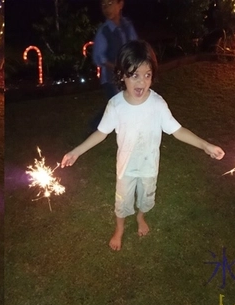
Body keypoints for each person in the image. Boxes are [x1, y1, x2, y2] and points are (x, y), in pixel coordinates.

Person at [61, 40, 224, 251]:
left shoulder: (157, 104)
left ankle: (140, 217)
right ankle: (119, 229)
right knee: (122, 202)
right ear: (122, 75)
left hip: (149, 168)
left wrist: (205, 145)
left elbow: (177, 130)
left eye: (147, 75)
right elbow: (101, 133)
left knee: (145, 199)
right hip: (126, 169)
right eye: (134, 75)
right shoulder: (116, 106)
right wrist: (77, 151)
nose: (142, 82)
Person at [89, 0, 139, 132]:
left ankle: (96, 127)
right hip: (111, 79)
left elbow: (135, 46)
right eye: (103, 5)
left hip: (128, 75)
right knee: (119, 105)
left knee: (120, 104)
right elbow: (99, 57)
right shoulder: (104, 31)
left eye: (110, 3)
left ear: (120, 4)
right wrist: (117, 68)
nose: (106, 8)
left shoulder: (127, 26)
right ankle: (95, 127)